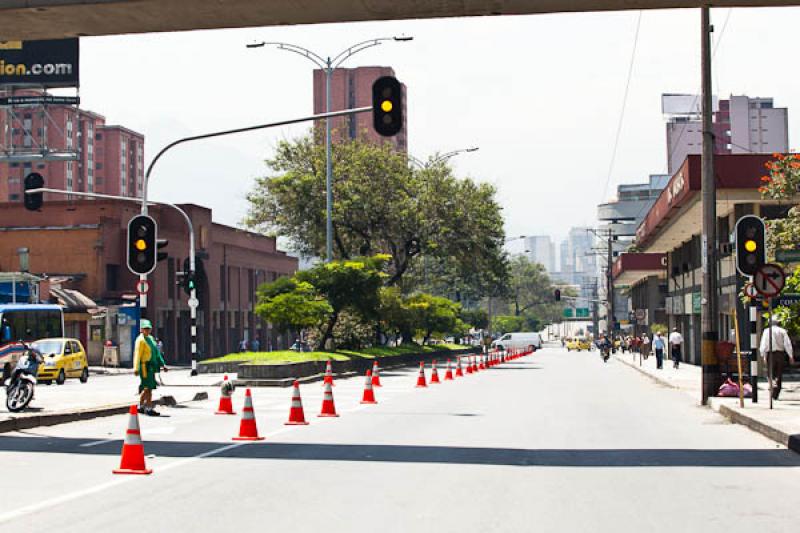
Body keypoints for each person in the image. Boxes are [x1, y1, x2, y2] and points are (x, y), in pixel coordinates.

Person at [133, 319, 168, 416]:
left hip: (152, 367)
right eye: (145, 329)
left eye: (148, 329)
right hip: (144, 366)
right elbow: (137, 354)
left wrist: (163, 364)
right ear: (141, 329)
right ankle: (148, 407)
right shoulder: (140, 340)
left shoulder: (151, 339)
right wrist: (136, 368)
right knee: (147, 387)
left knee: (149, 387)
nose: (147, 330)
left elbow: (157, 353)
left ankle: (142, 406)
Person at [758, 317, 795, 400]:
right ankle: (775, 393)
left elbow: (763, 343)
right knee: (779, 373)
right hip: (780, 354)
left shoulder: (766, 331)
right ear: (778, 323)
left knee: (770, 372)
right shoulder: (782, 331)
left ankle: (772, 383)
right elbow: (787, 344)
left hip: (770, 354)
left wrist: (763, 355)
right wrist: (790, 356)